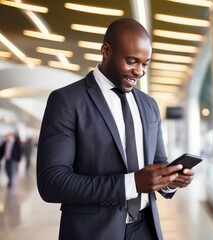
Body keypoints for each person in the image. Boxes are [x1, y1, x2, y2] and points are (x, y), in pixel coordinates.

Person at [36, 18, 194, 240]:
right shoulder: (67, 100)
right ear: (106, 50)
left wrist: (169, 180)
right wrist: (131, 183)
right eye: (131, 61)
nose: (139, 71)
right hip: (93, 232)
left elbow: (158, 162)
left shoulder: (149, 105)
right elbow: (52, 183)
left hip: (146, 229)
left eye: (145, 63)